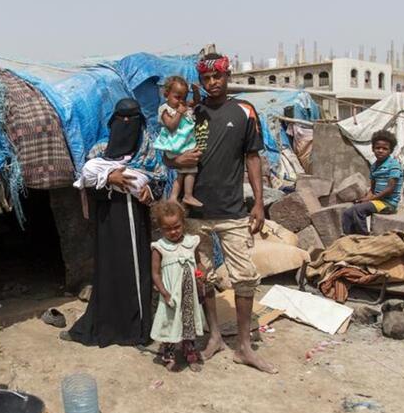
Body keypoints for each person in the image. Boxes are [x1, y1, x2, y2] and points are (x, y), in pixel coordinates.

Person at [164, 52, 277, 374]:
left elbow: (252, 157)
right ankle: (214, 335)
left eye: (218, 77)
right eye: (206, 78)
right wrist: (177, 160)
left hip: (232, 211)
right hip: (195, 211)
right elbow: (169, 155)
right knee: (202, 276)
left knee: (244, 277)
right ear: (200, 81)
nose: (212, 83)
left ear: (227, 77)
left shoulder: (244, 110)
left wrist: (257, 202)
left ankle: (244, 345)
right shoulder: (191, 112)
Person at [67, 98, 155, 348]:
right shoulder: (99, 151)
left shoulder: (146, 151)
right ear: (113, 122)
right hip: (106, 220)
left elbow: (158, 180)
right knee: (108, 271)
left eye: (132, 120)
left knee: (136, 272)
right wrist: (110, 179)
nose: (126, 125)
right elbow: (86, 184)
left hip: (135, 221)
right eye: (121, 120)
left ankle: (136, 330)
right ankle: (104, 325)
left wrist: (150, 190)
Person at [149, 200, 206, 371]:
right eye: (167, 229)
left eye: (177, 227)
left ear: (183, 223)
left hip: (189, 293)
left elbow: (198, 263)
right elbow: (155, 274)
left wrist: (201, 274)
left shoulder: (191, 242)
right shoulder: (159, 248)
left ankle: (190, 353)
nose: (173, 232)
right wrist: (164, 293)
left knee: (188, 323)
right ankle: (169, 355)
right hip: (171, 295)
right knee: (170, 323)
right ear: (160, 228)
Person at [152, 76, 203, 207]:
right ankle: (188, 195)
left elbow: (196, 101)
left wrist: (196, 91)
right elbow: (171, 126)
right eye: (177, 97)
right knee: (191, 169)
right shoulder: (165, 109)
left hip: (183, 144)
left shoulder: (183, 106)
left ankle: (174, 197)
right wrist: (180, 113)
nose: (181, 101)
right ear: (166, 95)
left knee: (182, 173)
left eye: (184, 97)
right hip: (174, 145)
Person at [341, 129, 403, 236]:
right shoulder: (374, 166)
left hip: (387, 204)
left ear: (390, 151)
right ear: (373, 149)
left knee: (359, 210)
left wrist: (371, 199)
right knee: (347, 213)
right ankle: (349, 237)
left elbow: (390, 189)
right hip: (377, 201)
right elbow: (373, 189)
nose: (380, 150)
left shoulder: (394, 165)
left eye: (385, 148)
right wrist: (364, 199)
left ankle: (364, 237)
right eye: (378, 148)